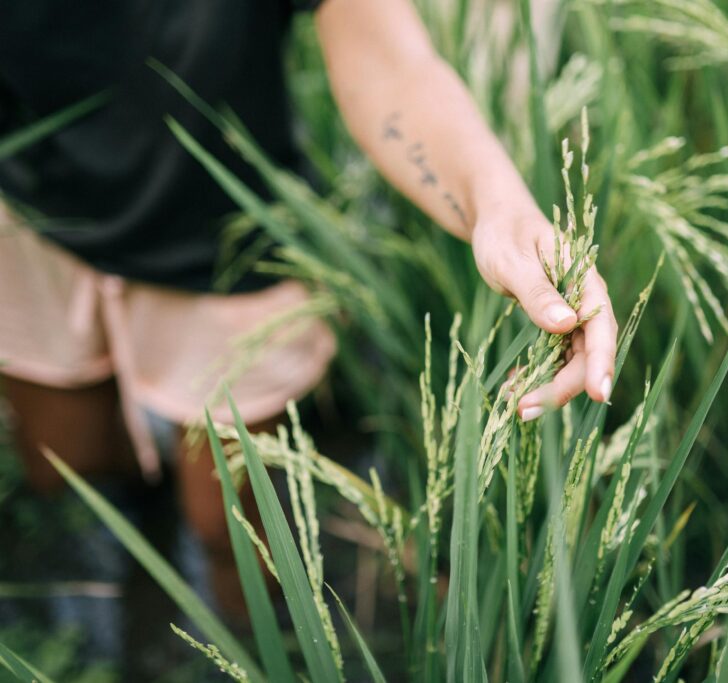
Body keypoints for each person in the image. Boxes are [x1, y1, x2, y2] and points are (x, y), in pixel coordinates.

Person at [0, 0, 617, 615]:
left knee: (233, 535)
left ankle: (261, 653)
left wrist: (498, 206)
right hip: (26, 218)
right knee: (66, 467)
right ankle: (136, 553)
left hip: (229, 249)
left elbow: (389, 63)